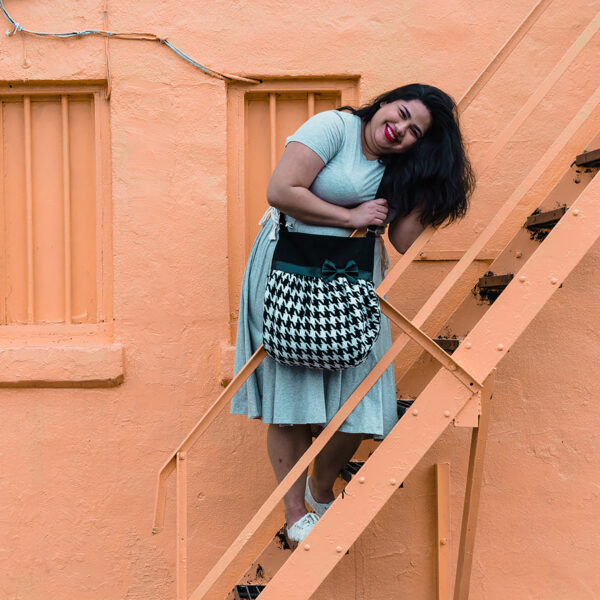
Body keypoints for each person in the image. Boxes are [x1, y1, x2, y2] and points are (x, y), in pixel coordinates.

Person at [231, 83, 474, 544]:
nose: (399, 129)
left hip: (352, 276)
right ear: (383, 102)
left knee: (364, 401)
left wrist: (433, 183)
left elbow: (401, 240)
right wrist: (351, 217)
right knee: (290, 402)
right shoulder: (334, 128)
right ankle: (295, 511)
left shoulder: (399, 167)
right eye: (401, 113)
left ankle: (321, 491)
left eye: (414, 131)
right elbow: (281, 189)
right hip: (289, 265)